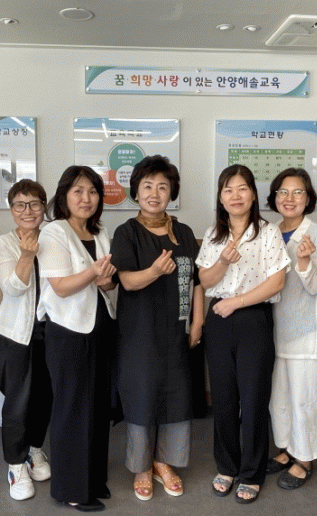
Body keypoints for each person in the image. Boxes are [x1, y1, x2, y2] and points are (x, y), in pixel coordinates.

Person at [110, 155, 205, 501]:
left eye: (162, 187)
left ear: (171, 193)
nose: (154, 193)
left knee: (176, 395)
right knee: (142, 395)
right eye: (147, 186)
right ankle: (142, 467)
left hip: (177, 330)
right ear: (136, 191)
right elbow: (126, 282)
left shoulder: (184, 232)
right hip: (140, 332)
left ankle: (164, 462)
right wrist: (154, 271)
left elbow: (196, 281)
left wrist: (198, 320)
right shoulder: (126, 232)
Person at [197, 164, 290, 504]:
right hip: (219, 321)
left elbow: (277, 282)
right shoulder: (213, 234)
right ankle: (227, 466)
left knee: (253, 400)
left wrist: (235, 302)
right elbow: (204, 280)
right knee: (223, 399)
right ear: (220, 198)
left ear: (253, 194)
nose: (235, 196)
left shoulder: (268, 232)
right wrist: (223, 261)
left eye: (242, 188)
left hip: (253, 319)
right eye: (228, 190)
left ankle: (252, 473)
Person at [38, 165, 117, 512]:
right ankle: (71, 488)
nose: (86, 198)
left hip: (100, 326)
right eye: (78, 191)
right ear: (64, 196)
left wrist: (107, 281)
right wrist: (94, 272)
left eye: (93, 191)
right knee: (72, 409)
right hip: (68, 331)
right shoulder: (54, 231)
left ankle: (93, 479)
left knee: (98, 408)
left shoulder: (99, 232)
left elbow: (107, 284)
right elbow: (60, 286)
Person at [265, 168, 317, 490]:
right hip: (274, 329)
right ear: (274, 197)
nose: (289, 198)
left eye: (297, 192)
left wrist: (304, 262)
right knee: (279, 398)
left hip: (306, 332)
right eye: (282, 192)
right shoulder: (269, 231)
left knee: (303, 400)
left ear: (308, 199)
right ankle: (286, 449)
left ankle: (304, 459)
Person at [0, 179, 52, 501]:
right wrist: (27, 255)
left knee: (45, 398)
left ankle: (34, 450)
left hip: (51, 333)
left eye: (35, 204)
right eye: (20, 205)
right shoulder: (2, 244)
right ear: (12, 209)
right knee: (17, 403)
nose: (28, 211)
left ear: (44, 207)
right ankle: (15, 465)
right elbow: (13, 288)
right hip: (15, 334)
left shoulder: (54, 237)